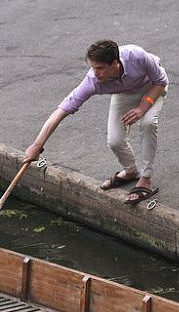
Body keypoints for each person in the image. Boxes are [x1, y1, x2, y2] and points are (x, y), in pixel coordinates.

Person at [24, 39, 168, 204]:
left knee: (148, 123)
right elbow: (62, 110)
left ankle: (146, 179)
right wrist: (37, 145)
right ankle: (130, 172)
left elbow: (161, 81)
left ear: (115, 63)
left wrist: (142, 108)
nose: (96, 73)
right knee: (115, 141)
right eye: (93, 67)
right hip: (125, 93)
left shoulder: (136, 56)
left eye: (100, 68)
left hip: (152, 87)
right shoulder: (92, 81)